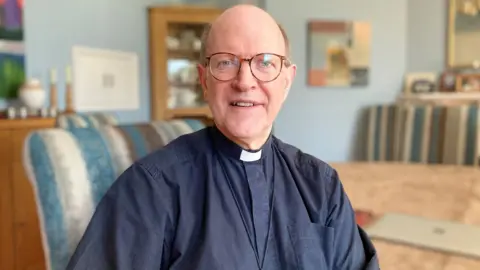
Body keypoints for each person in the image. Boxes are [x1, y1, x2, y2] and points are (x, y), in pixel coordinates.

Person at [66, 4, 379, 270]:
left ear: (286, 81)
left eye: (265, 63)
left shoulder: (321, 186)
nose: (245, 82)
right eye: (226, 62)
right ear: (204, 81)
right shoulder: (150, 189)